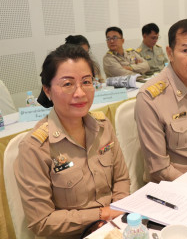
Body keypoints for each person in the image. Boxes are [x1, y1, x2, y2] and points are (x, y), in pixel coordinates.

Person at [14, 44, 130, 238]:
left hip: (115, 226)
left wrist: (118, 211)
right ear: (48, 91)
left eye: (86, 81)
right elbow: (41, 222)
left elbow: (121, 179)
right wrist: (102, 214)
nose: (80, 93)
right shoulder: (35, 147)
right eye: (68, 84)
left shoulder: (103, 126)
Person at [135, 19, 187, 183]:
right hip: (176, 186)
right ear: (170, 53)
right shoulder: (150, 98)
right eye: (186, 51)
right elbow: (159, 169)